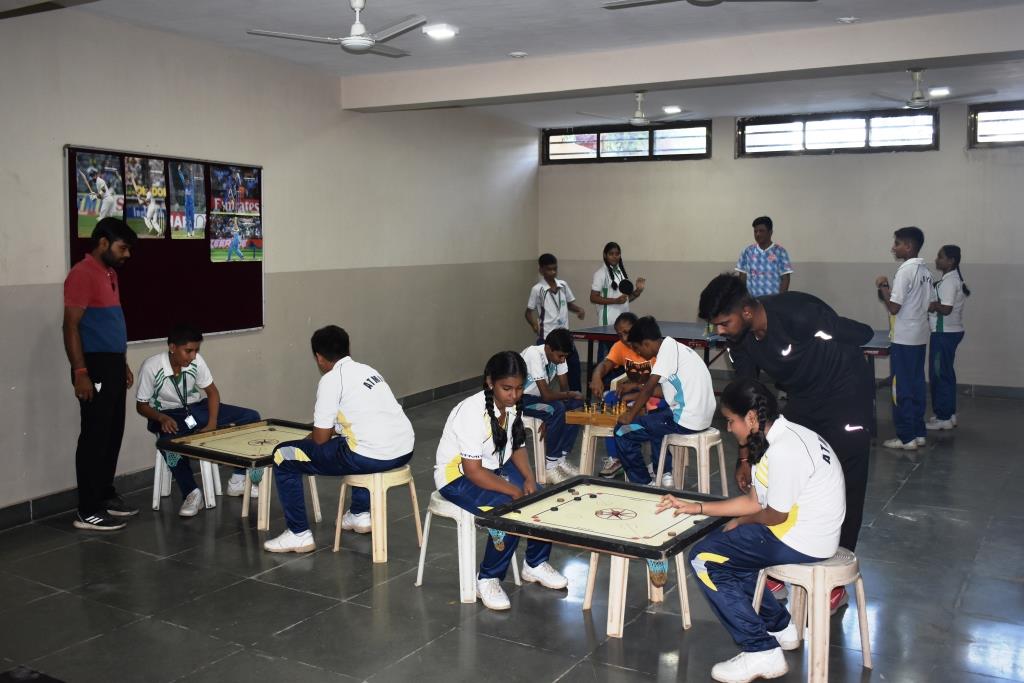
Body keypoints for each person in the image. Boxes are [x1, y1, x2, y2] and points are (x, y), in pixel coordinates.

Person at [699, 274, 871, 612]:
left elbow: (860, 334)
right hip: (805, 398)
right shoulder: (741, 340)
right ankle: (782, 556)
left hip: (847, 394)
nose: (719, 330)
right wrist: (745, 458)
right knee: (777, 464)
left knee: (847, 481)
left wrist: (831, 334)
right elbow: (746, 399)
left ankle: (835, 581)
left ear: (746, 312)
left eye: (723, 323)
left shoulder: (799, 313)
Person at [658, 379, 845, 683]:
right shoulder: (781, 437)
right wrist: (696, 507)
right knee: (728, 552)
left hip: (802, 538)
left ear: (751, 417)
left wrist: (742, 522)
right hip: (811, 532)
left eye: (731, 420)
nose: (729, 428)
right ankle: (780, 626)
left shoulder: (784, 450)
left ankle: (760, 651)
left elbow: (775, 515)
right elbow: (753, 501)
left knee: (703, 558)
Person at [434, 351, 568, 610]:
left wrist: (528, 478)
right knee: (509, 510)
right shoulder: (471, 412)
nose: (514, 395)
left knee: (541, 499)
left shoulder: (512, 405)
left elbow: (517, 446)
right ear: (490, 382)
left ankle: (535, 563)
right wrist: (513, 490)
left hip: (494, 467)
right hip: (457, 477)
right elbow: (473, 471)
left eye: (519, 388)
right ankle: (487, 578)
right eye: (507, 388)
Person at [264, 325, 415, 553]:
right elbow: (358, 420)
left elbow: (321, 439)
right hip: (403, 449)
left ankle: (298, 534)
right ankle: (359, 514)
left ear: (319, 357)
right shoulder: (367, 370)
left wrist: (306, 443)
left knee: (283, 455)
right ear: (347, 348)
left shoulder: (331, 380)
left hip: (371, 455)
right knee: (353, 440)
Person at [134, 324, 263, 516]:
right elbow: (141, 406)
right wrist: (161, 417)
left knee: (251, 417)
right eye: (188, 351)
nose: (193, 356)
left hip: (196, 409)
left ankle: (238, 480)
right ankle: (192, 493)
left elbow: (212, 393)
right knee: (168, 444)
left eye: (196, 350)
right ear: (172, 347)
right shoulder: (151, 367)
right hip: (167, 415)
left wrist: (211, 423)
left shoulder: (196, 361)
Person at [62, 218, 139, 531]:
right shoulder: (82, 274)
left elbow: (109, 326)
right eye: (123, 248)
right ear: (103, 243)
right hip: (93, 366)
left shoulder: (109, 273)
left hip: (112, 364)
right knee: (95, 436)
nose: (127, 255)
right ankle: (88, 510)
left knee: (112, 432)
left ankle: (105, 495)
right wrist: (80, 371)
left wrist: (122, 363)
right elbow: (70, 326)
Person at [613, 316, 715, 488]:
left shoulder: (666, 353)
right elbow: (661, 391)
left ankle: (642, 483)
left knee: (622, 431)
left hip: (684, 421)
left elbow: (649, 388)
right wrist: (635, 390)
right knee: (655, 418)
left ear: (646, 343)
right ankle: (662, 470)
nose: (638, 353)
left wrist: (630, 415)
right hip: (701, 417)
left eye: (637, 348)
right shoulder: (675, 348)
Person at [876, 226, 933, 450]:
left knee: (900, 388)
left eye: (897, 243)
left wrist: (883, 286)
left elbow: (894, 307)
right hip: (919, 336)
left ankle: (906, 437)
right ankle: (918, 432)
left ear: (908, 246)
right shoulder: (926, 272)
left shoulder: (905, 271)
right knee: (917, 385)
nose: (893, 248)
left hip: (904, 339)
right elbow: (929, 303)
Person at [587, 312, 655, 478]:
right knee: (610, 398)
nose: (624, 338)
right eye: (619, 334)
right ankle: (616, 458)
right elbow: (605, 364)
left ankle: (653, 459)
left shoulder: (649, 346)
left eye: (627, 332)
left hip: (653, 390)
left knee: (650, 407)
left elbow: (657, 383)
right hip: (633, 389)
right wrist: (596, 377)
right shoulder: (619, 346)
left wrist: (636, 388)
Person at [521, 329, 584, 483]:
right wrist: (554, 413)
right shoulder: (534, 354)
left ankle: (561, 459)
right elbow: (547, 396)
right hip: (521, 401)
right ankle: (550, 466)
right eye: (560, 356)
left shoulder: (558, 357)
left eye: (565, 357)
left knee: (575, 405)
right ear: (548, 348)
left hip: (537, 400)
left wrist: (568, 402)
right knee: (556, 409)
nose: (562, 360)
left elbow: (564, 387)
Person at [525, 253, 586, 391]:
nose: (552, 272)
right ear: (541, 270)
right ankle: (543, 395)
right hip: (547, 337)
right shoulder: (537, 289)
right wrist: (534, 324)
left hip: (565, 336)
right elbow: (528, 312)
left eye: (555, 269)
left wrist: (578, 309)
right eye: (549, 269)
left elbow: (569, 304)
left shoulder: (563, 285)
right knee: (545, 371)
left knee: (574, 366)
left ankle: (575, 395)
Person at [927, 244, 970, 431]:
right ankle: (949, 414)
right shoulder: (951, 279)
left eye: (940, 256)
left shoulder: (949, 282)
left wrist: (930, 304)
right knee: (946, 373)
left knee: (939, 375)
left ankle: (943, 417)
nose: (937, 259)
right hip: (950, 333)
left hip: (944, 334)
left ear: (951, 261)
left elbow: (946, 309)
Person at [590, 242, 646, 359]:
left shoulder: (620, 273)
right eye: (611, 254)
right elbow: (593, 297)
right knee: (606, 359)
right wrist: (615, 301)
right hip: (608, 324)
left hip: (623, 325)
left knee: (621, 359)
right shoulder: (600, 274)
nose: (614, 256)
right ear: (605, 255)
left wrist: (637, 291)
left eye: (617, 254)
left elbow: (624, 300)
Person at [735, 216, 793, 297]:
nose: (758, 234)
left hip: (773, 301)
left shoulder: (780, 252)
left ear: (770, 232)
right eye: (755, 231)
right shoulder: (747, 252)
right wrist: (743, 298)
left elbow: (785, 279)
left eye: (761, 231)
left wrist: (780, 299)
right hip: (753, 301)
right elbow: (742, 277)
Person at [177, 164, 196, 237]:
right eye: (185, 181)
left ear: (189, 181)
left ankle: (193, 231)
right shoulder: (185, 186)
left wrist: (191, 171)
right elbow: (182, 178)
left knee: (192, 219)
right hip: (187, 206)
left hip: (192, 205)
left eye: (187, 181)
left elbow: (191, 178)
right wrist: (179, 171)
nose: (186, 182)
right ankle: (188, 232)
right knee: (187, 220)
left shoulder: (191, 185)